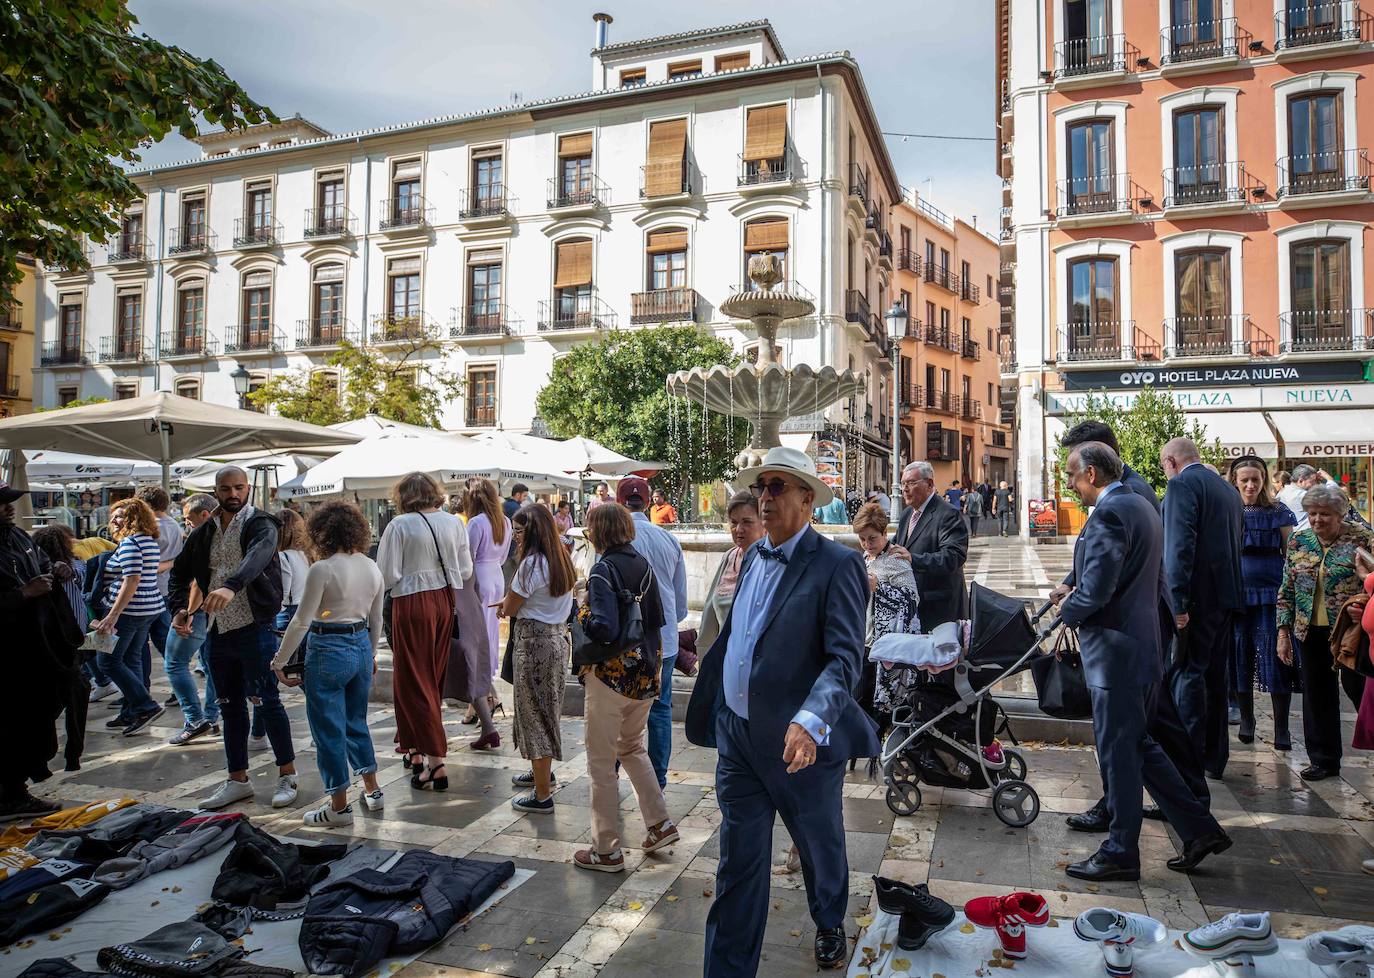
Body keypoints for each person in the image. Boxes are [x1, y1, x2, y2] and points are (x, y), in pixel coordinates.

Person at [685, 446, 879, 975]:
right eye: (761, 487)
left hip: (802, 746)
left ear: (807, 499)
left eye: (776, 488)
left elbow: (845, 659)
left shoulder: (837, 564)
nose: (763, 498)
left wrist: (810, 720)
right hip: (740, 739)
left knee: (819, 843)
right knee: (738, 865)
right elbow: (742, 637)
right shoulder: (750, 556)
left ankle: (829, 919)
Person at [1053, 443, 1231, 882]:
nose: (1073, 488)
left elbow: (1096, 591)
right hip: (1143, 648)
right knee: (1141, 748)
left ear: (1091, 474)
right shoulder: (1142, 503)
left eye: (1074, 477)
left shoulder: (1110, 513)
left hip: (1115, 657)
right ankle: (1199, 830)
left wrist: (1066, 608)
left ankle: (1120, 851)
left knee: (1119, 753)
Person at [169, 466, 298, 810]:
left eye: (239, 487)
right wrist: (179, 608)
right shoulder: (203, 531)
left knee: (268, 701)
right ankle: (237, 779)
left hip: (255, 627)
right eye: (226, 489)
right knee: (230, 708)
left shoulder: (262, 523)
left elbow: (259, 555)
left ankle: (287, 773)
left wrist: (231, 585)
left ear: (248, 488)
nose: (233, 494)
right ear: (216, 490)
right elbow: (180, 573)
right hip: (216, 630)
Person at [572, 502, 680, 872]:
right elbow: (659, 619)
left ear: (598, 532)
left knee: (601, 764)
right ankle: (659, 823)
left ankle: (606, 850)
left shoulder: (602, 571)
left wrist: (579, 611)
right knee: (632, 747)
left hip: (610, 678)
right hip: (646, 673)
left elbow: (603, 628)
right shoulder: (643, 566)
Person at [273, 501, 386, 825]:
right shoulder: (371, 566)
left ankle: (338, 807)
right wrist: (371, 653)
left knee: (328, 731)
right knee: (356, 722)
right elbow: (376, 618)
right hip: (361, 646)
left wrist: (280, 661)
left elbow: (300, 622)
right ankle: (373, 791)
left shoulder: (322, 568)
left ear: (320, 532)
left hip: (327, 648)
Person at [377, 472, 474, 790]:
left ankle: (434, 761)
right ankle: (415, 752)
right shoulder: (453, 523)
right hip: (445, 600)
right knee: (427, 678)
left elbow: (387, 575)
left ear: (403, 495)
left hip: (411, 602)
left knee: (413, 680)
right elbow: (466, 569)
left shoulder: (399, 525)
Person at [1160, 437, 1244, 781]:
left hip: (1196, 600)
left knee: (1187, 678)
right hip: (1226, 597)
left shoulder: (1182, 485)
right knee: (1215, 678)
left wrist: (1177, 603)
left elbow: (1179, 547)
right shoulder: (1227, 490)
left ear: (1171, 462)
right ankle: (1214, 758)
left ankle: (1185, 767)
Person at [1277, 482, 1373, 781]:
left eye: (1325, 514)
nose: (1318, 519)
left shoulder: (1362, 539)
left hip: (1350, 630)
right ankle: (1323, 759)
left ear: (1341, 514)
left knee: (1359, 689)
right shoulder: (1299, 541)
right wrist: (1283, 631)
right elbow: (1287, 588)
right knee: (1317, 694)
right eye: (1313, 513)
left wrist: (1365, 604)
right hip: (1310, 630)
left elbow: (1373, 582)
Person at [0, 481, 80, 819]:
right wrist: (22, 594)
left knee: (34, 722)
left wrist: (58, 569)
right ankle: (9, 795)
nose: (10, 508)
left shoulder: (18, 537)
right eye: (2, 503)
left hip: (38, 650)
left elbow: (43, 564)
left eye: (11, 502)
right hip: (7, 656)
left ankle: (16, 790)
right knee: (9, 726)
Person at [496, 503, 576, 813]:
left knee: (533, 714)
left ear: (532, 532)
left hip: (533, 645)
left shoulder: (530, 565)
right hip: (557, 641)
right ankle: (541, 773)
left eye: (518, 531)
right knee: (546, 712)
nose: (515, 537)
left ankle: (542, 796)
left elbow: (512, 607)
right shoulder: (562, 561)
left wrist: (504, 606)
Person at [617, 476, 688, 788]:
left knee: (620, 707)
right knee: (660, 710)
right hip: (665, 639)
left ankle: (613, 770)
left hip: (626, 639)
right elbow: (681, 602)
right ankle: (657, 779)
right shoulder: (668, 540)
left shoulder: (614, 542)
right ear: (647, 503)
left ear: (619, 503)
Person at [1227, 456, 1300, 750]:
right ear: (1234, 481)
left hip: (1272, 594)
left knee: (1276, 658)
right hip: (1238, 594)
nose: (1250, 485)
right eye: (1244, 480)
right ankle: (1247, 719)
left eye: (1255, 479)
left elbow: (1290, 554)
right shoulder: (1229, 512)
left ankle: (1281, 727)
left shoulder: (1278, 511)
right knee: (1239, 654)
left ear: (1264, 481)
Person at [91, 498, 166, 736]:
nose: (113, 520)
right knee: (131, 659)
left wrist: (112, 616)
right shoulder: (149, 541)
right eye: (114, 515)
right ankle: (131, 711)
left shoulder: (131, 543)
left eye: (120, 516)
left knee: (108, 662)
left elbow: (131, 580)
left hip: (130, 610)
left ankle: (145, 706)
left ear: (134, 519)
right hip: (148, 608)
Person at [30, 525, 90, 777]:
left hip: (52, 643)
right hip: (75, 639)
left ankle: (45, 757)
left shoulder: (39, 575)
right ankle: (72, 755)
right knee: (75, 694)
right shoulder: (76, 567)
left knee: (56, 699)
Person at [854, 501, 919, 731]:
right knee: (860, 698)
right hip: (864, 640)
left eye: (872, 538)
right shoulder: (864, 558)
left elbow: (912, 600)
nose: (867, 544)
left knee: (879, 704)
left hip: (887, 646)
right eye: (862, 539)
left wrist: (879, 588)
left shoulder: (896, 560)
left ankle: (877, 751)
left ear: (884, 533)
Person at [163, 493, 222, 745]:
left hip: (198, 611)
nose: (186, 524)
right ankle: (210, 717)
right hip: (217, 613)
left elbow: (198, 581)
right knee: (211, 666)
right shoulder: (225, 536)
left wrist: (187, 612)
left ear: (205, 515)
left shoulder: (203, 539)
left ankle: (195, 719)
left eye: (189, 519)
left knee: (175, 662)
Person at [891, 460, 968, 628]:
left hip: (940, 609)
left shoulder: (948, 514)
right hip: (913, 606)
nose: (904, 489)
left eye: (911, 483)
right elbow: (897, 545)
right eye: (903, 483)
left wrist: (913, 559)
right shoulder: (907, 515)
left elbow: (953, 557)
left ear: (929, 484)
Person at [463, 479, 511, 733]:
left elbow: (468, 557)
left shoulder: (476, 523)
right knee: (489, 634)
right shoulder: (504, 521)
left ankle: (484, 694)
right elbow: (503, 556)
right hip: (496, 575)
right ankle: (485, 695)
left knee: (477, 637)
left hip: (480, 576)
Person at [697, 492, 765, 658]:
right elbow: (709, 616)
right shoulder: (729, 557)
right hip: (723, 661)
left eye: (747, 522)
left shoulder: (769, 561)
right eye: (733, 522)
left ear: (764, 523)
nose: (738, 529)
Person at [137, 486, 182, 704]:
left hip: (148, 590)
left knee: (140, 644)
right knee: (164, 641)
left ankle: (140, 690)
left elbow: (148, 563)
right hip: (165, 590)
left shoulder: (150, 528)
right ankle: (177, 686)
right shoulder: (174, 525)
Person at [1278, 463, 1319, 531]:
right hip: (1302, 536)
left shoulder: (1281, 492)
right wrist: (1329, 479)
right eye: (1312, 481)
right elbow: (1331, 502)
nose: (1314, 484)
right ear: (1301, 481)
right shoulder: (1303, 495)